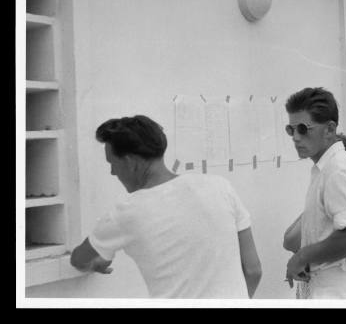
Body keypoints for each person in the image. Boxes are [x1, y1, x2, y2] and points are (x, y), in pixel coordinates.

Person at [70, 115, 262, 298]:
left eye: (112, 163)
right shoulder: (220, 187)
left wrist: (96, 261)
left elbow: (78, 259)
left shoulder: (126, 213)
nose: (112, 172)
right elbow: (253, 271)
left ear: (130, 162)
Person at [282, 87, 346, 299]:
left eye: (303, 128)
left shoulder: (339, 169)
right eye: (291, 130)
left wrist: (302, 257)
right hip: (330, 288)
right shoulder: (325, 169)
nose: (296, 137)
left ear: (329, 129)